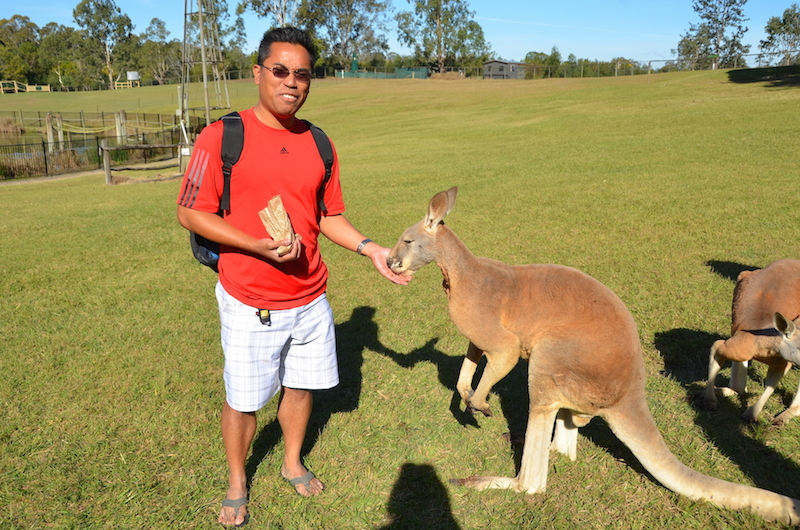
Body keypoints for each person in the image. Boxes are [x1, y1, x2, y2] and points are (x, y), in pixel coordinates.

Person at [176, 26, 410, 527]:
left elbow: (328, 214)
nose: (291, 82)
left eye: (302, 74)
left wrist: (369, 248)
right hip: (249, 298)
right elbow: (190, 211)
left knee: (301, 390)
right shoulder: (222, 136)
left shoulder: (319, 142)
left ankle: (290, 461)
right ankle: (238, 480)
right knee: (243, 401)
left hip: (309, 297)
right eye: (280, 71)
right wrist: (254, 244)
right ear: (258, 72)